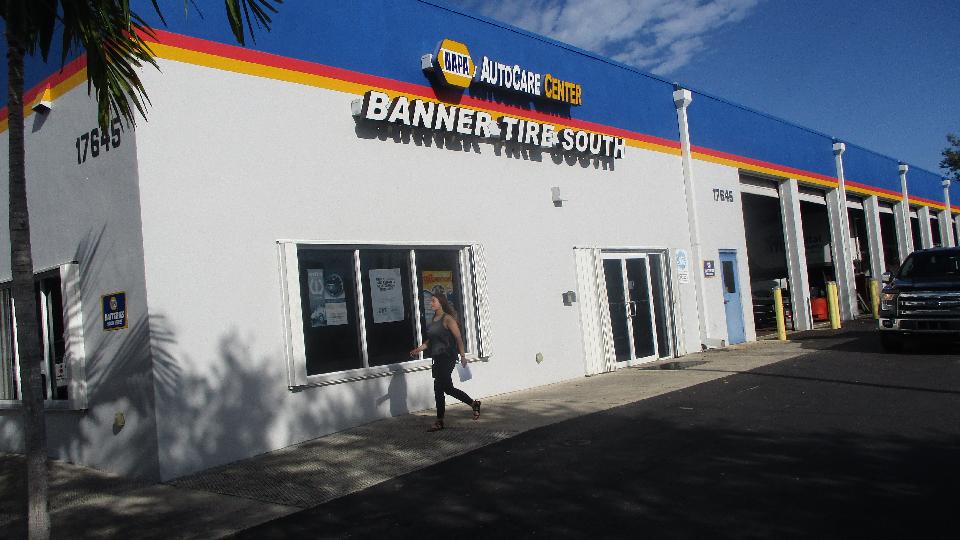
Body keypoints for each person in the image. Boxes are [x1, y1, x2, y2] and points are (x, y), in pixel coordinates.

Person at [409, 293, 481, 431]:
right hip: (437, 358)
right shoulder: (434, 319)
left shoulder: (448, 319)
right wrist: (419, 349)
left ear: (440, 302)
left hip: (448, 357)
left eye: (433, 301)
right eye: (431, 301)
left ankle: (439, 421)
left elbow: (458, 338)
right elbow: (431, 340)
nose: (431, 303)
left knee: (438, 388)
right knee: (447, 389)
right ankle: (474, 404)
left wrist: (463, 356)